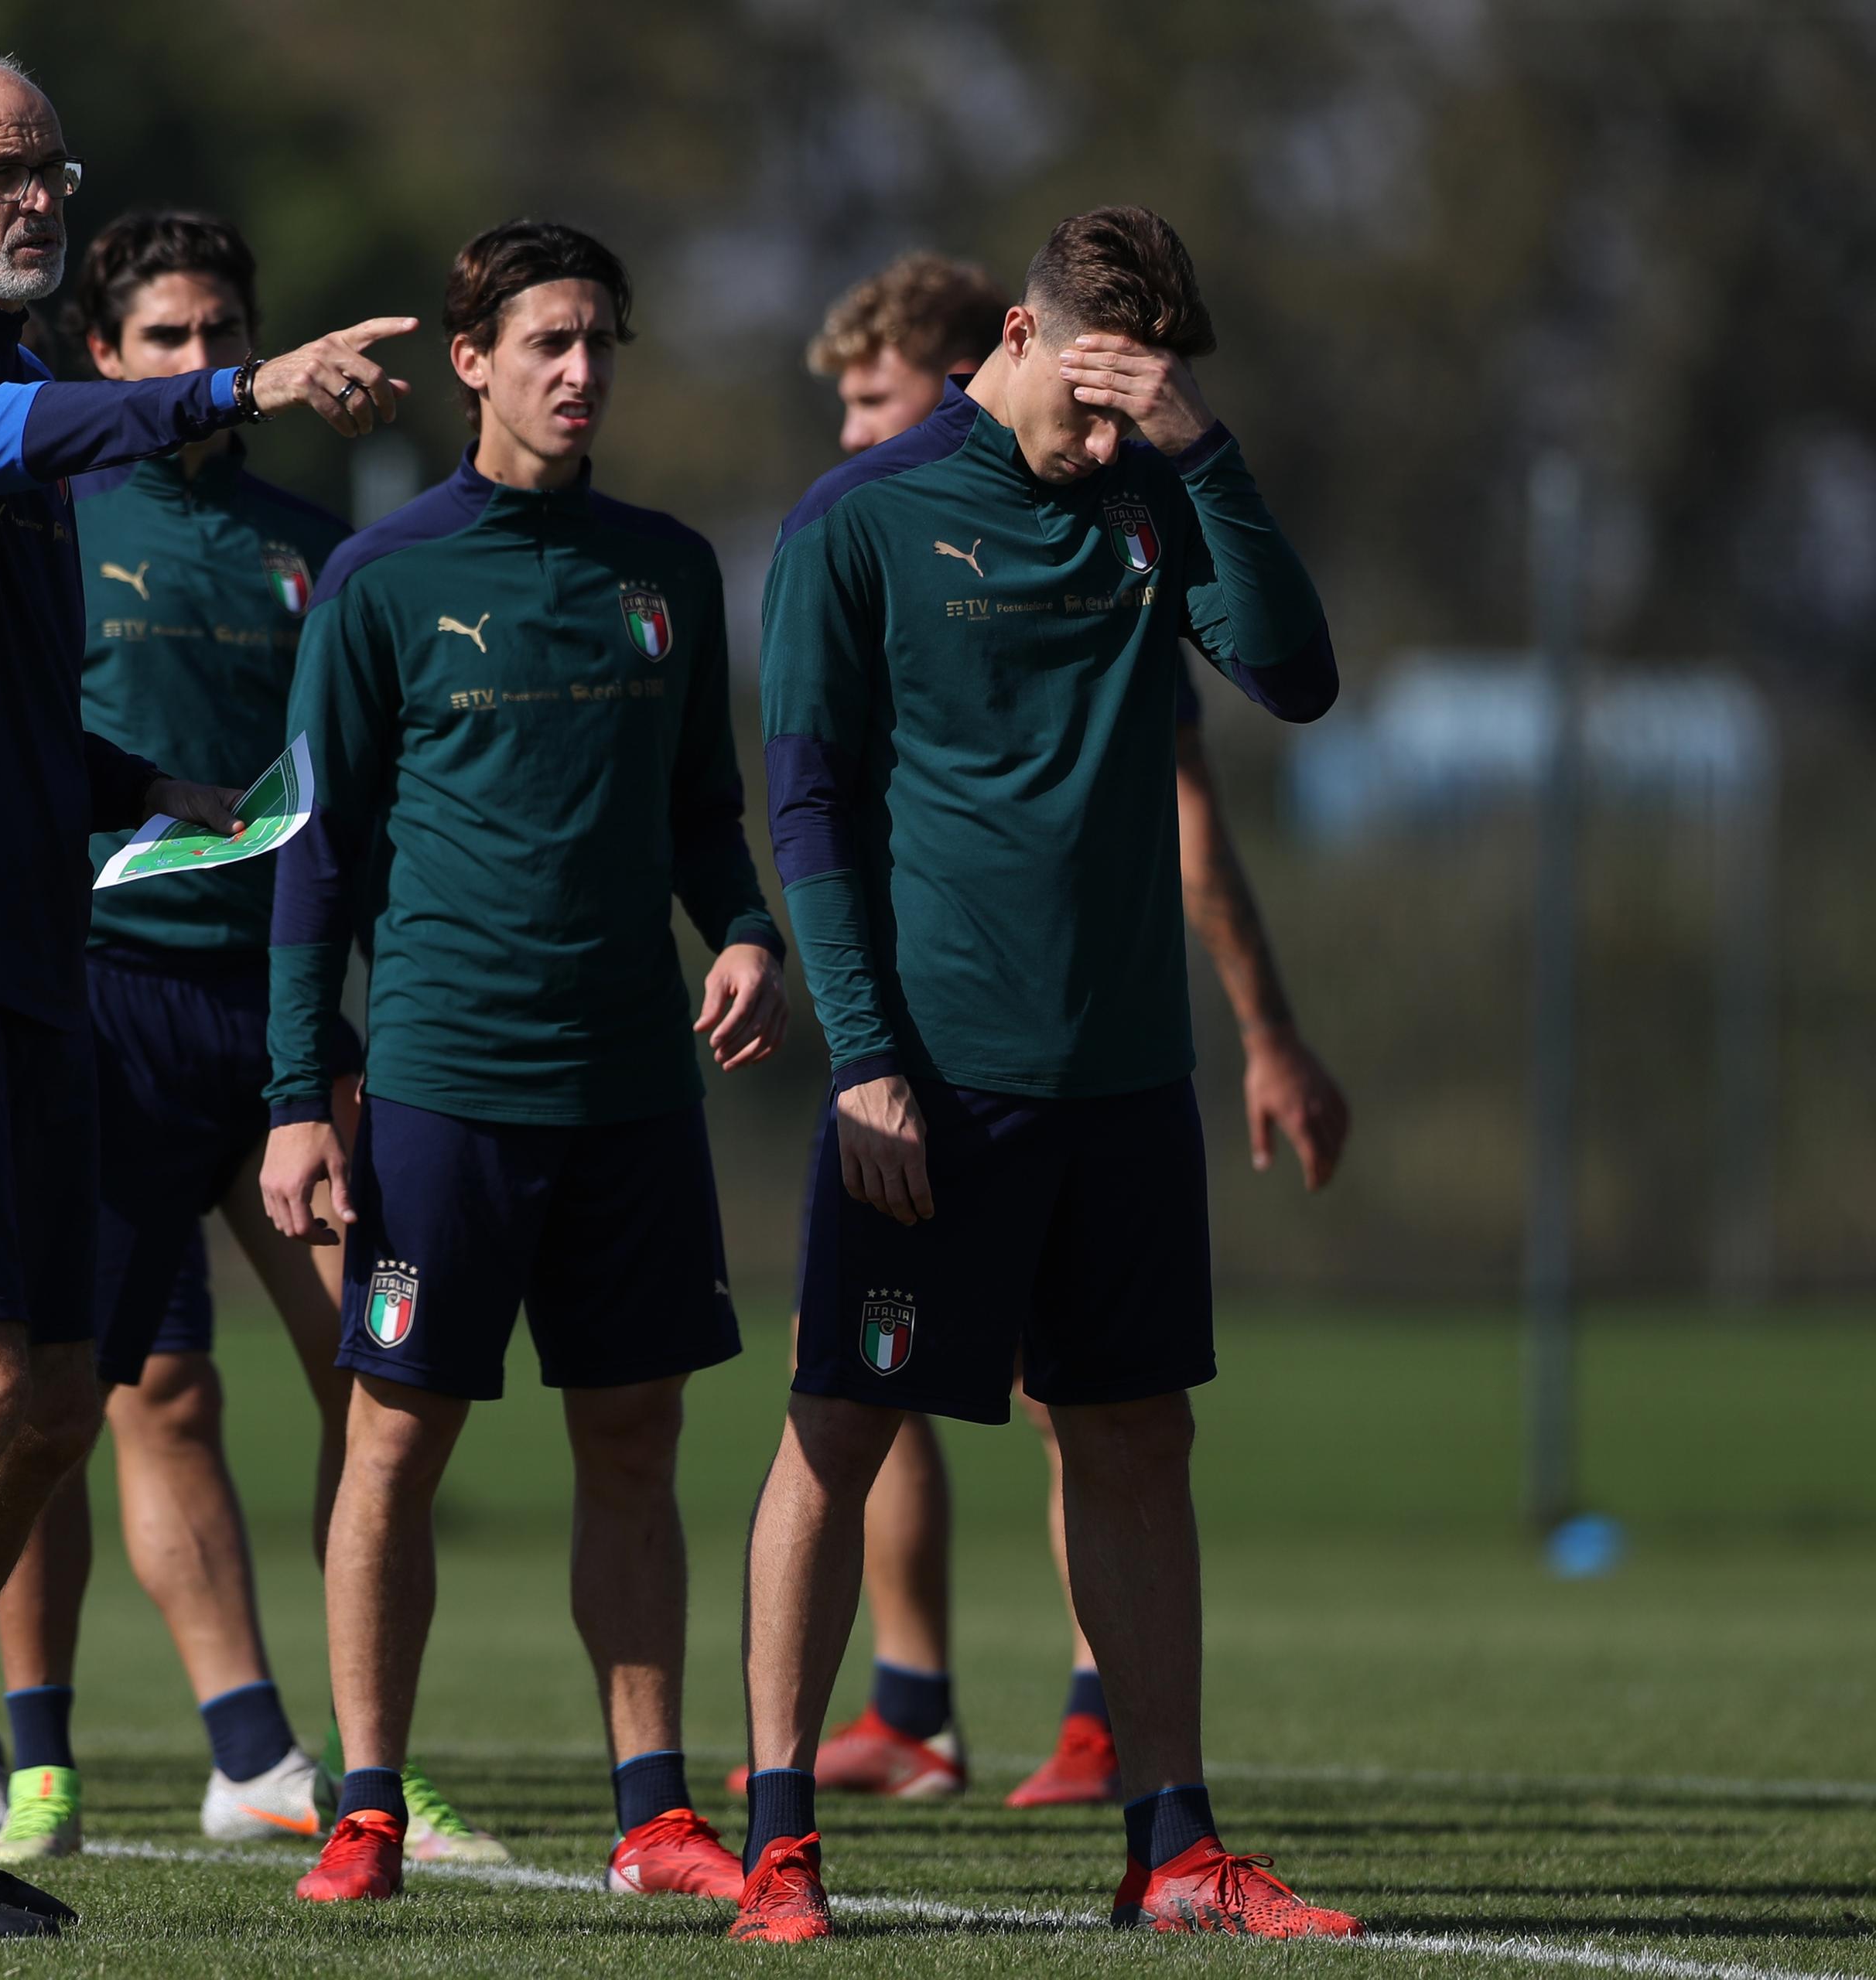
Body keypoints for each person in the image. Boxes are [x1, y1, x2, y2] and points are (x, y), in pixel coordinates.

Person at [0, 50, 416, 1941]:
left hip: (29, 952)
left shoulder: (16, 400)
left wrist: (149, 793)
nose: (36, 197)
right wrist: (225, 388)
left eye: (52, 167)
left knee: (57, 1393)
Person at [733, 206, 1356, 1943]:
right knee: (837, 1433)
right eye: (1089, 404)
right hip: (929, 1078)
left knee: (1138, 1435)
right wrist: (864, 1059)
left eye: (1130, 412)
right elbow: (810, 813)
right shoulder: (859, 518)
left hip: (1123, 1078)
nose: (1099, 445)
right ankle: (781, 1839)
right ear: (1011, 335)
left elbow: (1296, 675)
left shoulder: (1153, 489)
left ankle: (1172, 1845)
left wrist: (1195, 445)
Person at [0, 207, 494, 1869]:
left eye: (220, 334)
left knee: (383, 1379)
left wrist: (345, 1014)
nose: (197, 363)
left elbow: (332, 805)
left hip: (275, 1015)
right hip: (97, 1001)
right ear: (105, 360)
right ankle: (32, 1757)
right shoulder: (47, 515)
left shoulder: (308, 542)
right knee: (76, 1391)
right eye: (165, 339)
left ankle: (357, 1766)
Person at [260, 220, 784, 1908]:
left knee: (633, 1439)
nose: (581, 373)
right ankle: (364, 1803)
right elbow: (313, 855)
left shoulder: (670, 569)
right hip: (441, 1089)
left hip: (632, 1087)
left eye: (601, 344)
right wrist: (293, 1096)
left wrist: (750, 929)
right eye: (548, 342)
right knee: (396, 1440)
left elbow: (705, 814)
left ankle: (654, 1811)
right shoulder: (383, 578)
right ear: (472, 360)